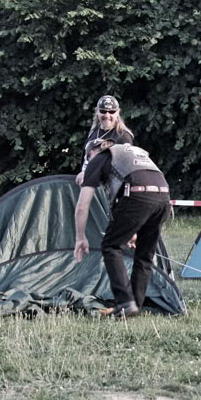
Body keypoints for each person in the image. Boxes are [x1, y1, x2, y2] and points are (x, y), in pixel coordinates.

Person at [73, 138, 170, 317]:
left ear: (92, 153)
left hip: (138, 195)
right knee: (144, 255)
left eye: (88, 158)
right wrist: (132, 230)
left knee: (110, 246)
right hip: (164, 198)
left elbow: (82, 206)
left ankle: (125, 302)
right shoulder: (128, 154)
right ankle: (134, 305)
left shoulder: (98, 158)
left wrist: (80, 237)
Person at [75, 95, 134, 186]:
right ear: (97, 112)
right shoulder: (93, 133)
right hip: (86, 186)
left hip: (107, 189)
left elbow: (125, 169)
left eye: (111, 112)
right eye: (103, 111)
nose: (107, 115)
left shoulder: (123, 136)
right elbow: (84, 162)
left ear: (118, 112)